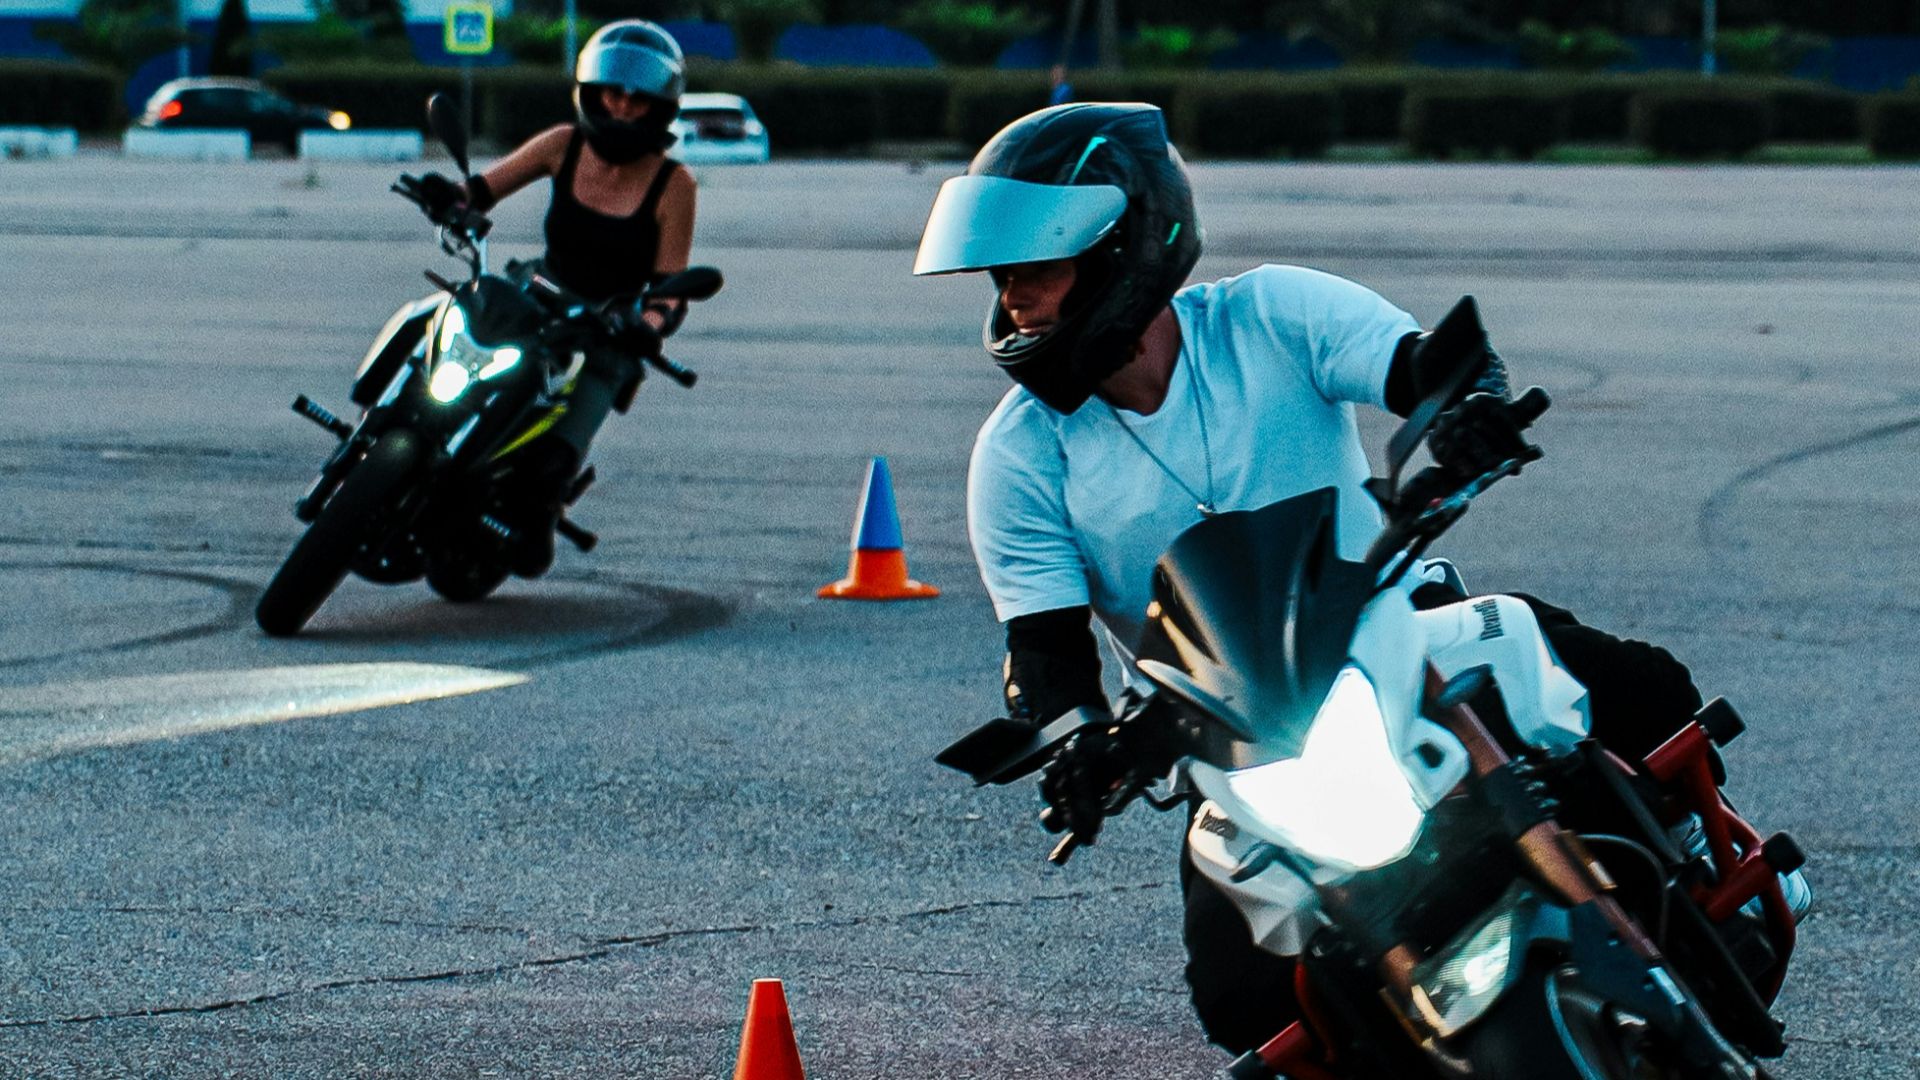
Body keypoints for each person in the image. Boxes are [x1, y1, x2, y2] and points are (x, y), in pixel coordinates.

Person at [913, 102, 1744, 1055]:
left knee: (1644, 690)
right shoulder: (1018, 458)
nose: (1009, 294)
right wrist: (1077, 744)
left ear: (1119, 250)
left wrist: (1472, 412)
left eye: (1033, 268)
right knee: (1241, 999)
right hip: (1225, 731)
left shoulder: (1272, 314)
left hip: (1395, 621)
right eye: (1002, 272)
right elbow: (1046, 652)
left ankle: (1711, 893)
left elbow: (1425, 366)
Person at [410, 19, 698, 575]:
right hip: (538, 292)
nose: (621, 106)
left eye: (637, 98)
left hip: (609, 328)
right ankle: (394, 421)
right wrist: (449, 197)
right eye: (612, 92)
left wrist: (649, 324)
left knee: (553, 460)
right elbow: (484, 188)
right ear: (591, 91)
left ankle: (535, 509)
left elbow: (671, 287)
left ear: (660, 106)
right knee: (445, 323)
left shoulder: (674, 184)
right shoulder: (563, 144)